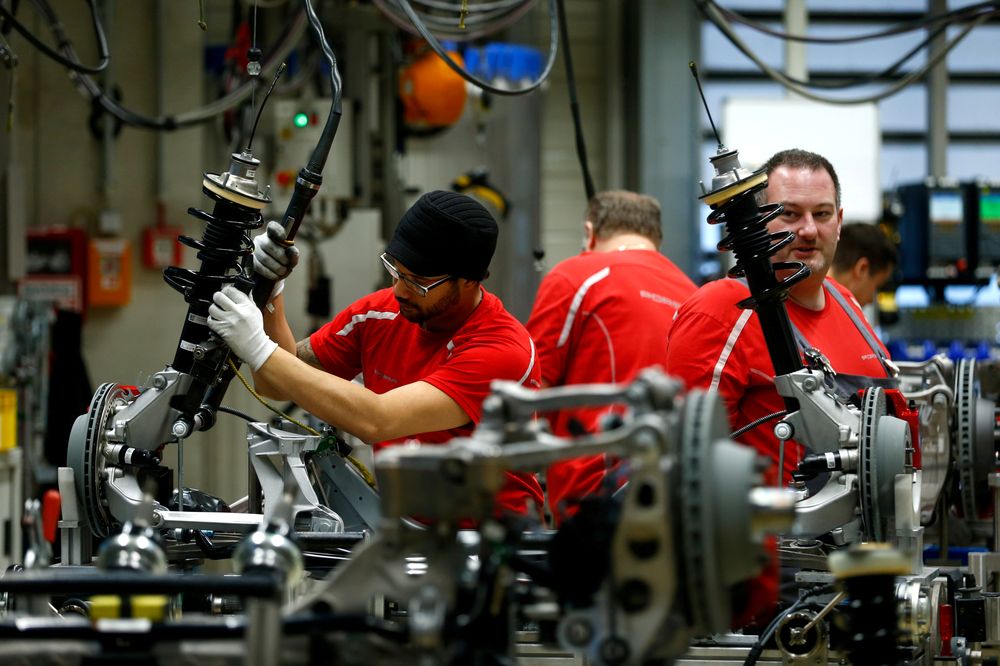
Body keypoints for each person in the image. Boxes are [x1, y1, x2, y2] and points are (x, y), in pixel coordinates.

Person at [207, 190, 545, 518]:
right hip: (407, 532)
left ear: (471, 280)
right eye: (395, 269)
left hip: (493, 543)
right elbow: (278, 384)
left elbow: (378, 420)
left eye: (418, 281)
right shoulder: (379, 314)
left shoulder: (501, 351)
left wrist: (258, 347)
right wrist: (272, 291)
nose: (398, 290)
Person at [664, 148, 897, 625]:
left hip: (861, 572)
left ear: (840, 222)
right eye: (788, 213)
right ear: (758, 219)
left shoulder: (850, 307)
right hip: (770, 588)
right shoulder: (725, 308)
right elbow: (680, 461)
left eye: (821, 214)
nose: (808, 230)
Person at [525, 190, 697, 525]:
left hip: (593, 491)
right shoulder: (693, 294)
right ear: (655, 240)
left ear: (589, 233)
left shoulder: (576, 275)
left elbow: (532, 390)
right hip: (678, 489)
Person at [829, 222, 897, 307]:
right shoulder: (844, 316)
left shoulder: (810, 295)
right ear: (862, 269)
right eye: (877, 286)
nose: (871, 300)